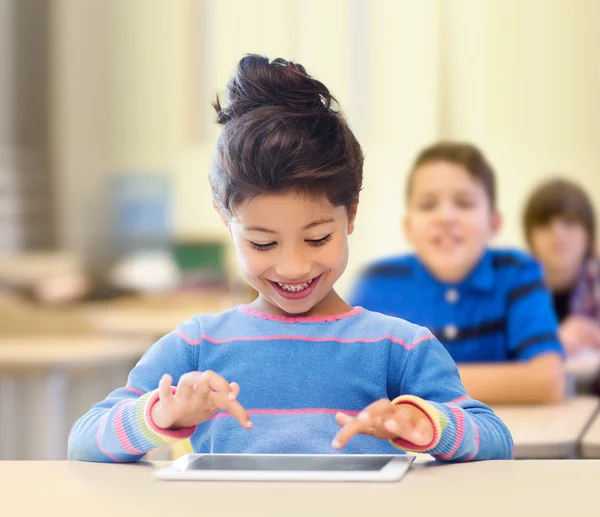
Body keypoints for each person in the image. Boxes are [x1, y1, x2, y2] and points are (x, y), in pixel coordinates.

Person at [68, 56, 512, 463]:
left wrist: (426, 424)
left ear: (351, 213)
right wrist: (160, 414)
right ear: (226, 220)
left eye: (317, 238)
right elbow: (84, 440)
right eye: (263, 244)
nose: (293, 267)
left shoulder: (399, 348)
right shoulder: (198, 345)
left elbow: (495, 438)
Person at [350, 142, 565, 405]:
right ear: (408, 227)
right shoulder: (377, 282)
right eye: (428, 205)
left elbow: (547, 382)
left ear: (493, 223)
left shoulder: (518, 273)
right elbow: (352, 383)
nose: (446, 216)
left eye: (464, 203)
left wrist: (408, 380)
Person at [523, 178, 600, 355]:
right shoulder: (517, 280)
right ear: (530, 238)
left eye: (570, 222)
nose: (558, 233)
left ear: (588, 233)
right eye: (544, 224)